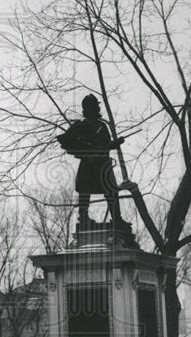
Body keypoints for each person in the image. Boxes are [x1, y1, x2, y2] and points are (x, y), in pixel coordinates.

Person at [57, 94, 137, 246]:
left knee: (111, 191)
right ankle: (84, 217)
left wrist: (115, 144)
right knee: (84, 191)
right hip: (89, 163)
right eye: (96, 106)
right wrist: (86, 149)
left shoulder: (102, 126)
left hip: (103, 163)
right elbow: (65, 140)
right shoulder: (81, 125)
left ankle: (116, 218)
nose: (99, 108)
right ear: (89, 109)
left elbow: (105, 145)